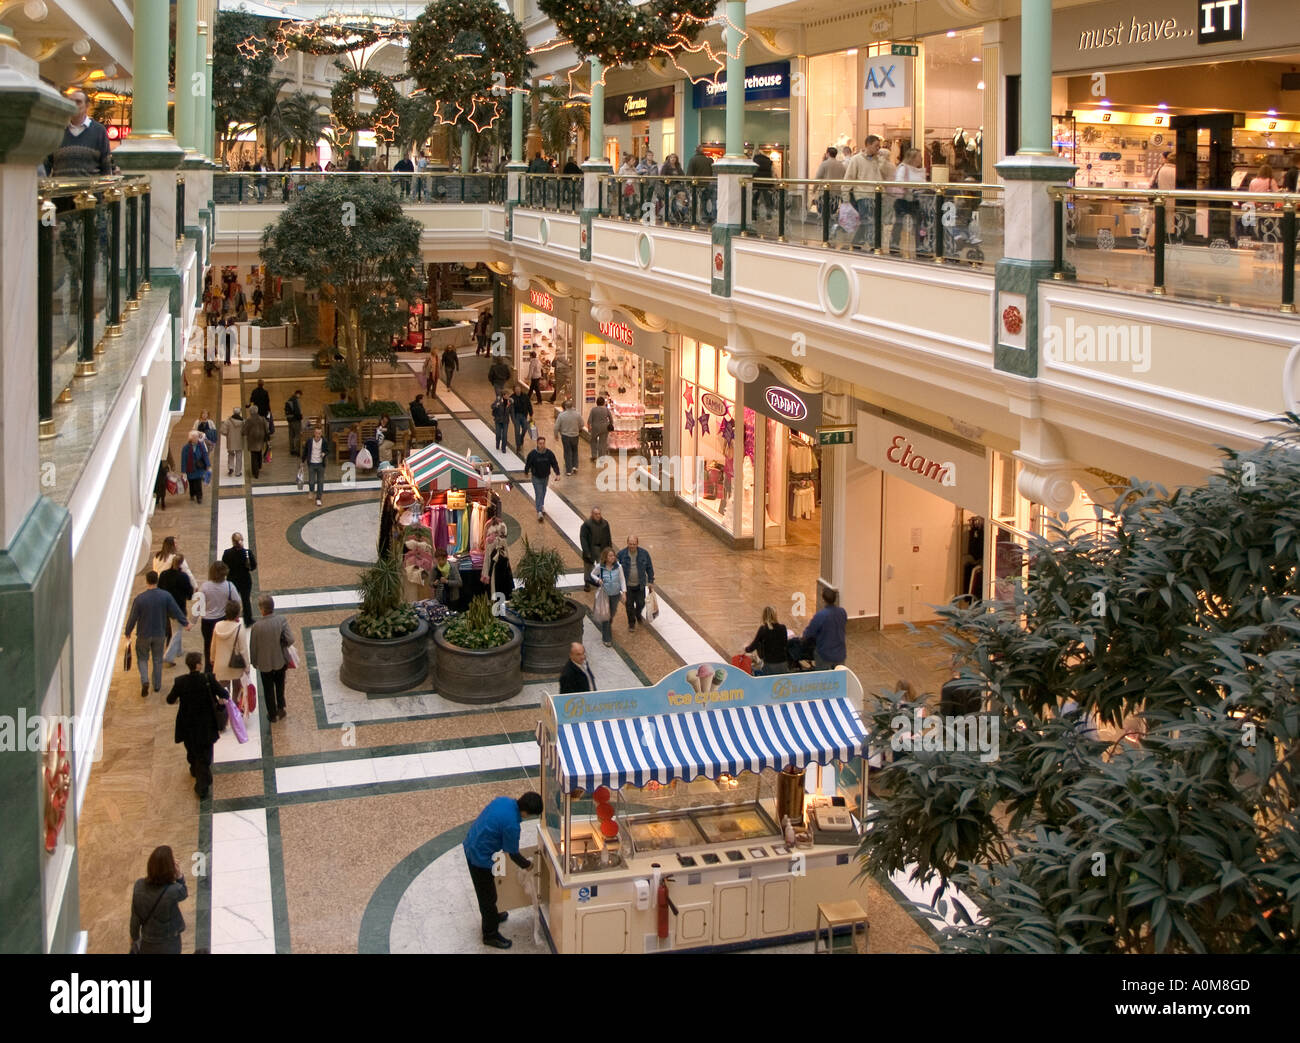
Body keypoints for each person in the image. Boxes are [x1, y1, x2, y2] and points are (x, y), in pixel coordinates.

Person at [463, 791, 542, 949]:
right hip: (479, 856)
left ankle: (494, 917)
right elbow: (513, 854)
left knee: (490, 891)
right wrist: (528, 865)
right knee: (488, 898)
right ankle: (490, 934)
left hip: (473, 841)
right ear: (526, 812)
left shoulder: (504, 801)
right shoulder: (512, 825)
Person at [166, 653, 226, 798]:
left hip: (187, 724)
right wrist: (219, 701)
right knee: (205, 755)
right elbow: (223, 693)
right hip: (206, 724)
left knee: (193, 749)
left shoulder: (180, 682)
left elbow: (170, 699)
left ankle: (194, 768)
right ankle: (202, 786)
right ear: (198, 665)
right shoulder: (208, 679)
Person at [125, 571, 190, 698]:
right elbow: (176, 611)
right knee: (157, 659)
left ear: (147, 581)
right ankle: (157, 685)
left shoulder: (140, 599)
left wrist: (128, 632)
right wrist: (185, 622)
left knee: (142, 659)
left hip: (143, 634)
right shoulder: (165, 596)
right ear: (157, 581)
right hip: (160, 633)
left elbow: (132, 618)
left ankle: (145, 681)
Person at [129, 846, 188, 954]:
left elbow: (135, 917)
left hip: (148, 943)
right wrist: (179, 875)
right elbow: (183, 893)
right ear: (169, 868)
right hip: (170, 943)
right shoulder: (173, 890)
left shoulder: (139, 885)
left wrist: (134, 938)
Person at [45, 90, 112, 178]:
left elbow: (106, 165)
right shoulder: (57, 129)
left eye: (78, 102)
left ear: (87, 106)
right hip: (61, 191)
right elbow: (46, 164)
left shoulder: (99, 131)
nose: (74, 105)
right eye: (71, 102)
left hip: (90, 190)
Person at [249, 594, 294, 723]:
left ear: (262, 609)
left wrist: (254, 661)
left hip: (264, 663)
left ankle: (272, 714)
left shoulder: (257, 626)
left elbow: (253, 647)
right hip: (279, 660)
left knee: (268, 689)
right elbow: (290, 639)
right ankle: (281, 708)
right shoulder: (281, 620)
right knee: (280, 686)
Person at [844, 135, 894, 248]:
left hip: (878, 195)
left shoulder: (879, 160)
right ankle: (870, 244)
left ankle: (863, 243)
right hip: (863, 195)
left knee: (875, 221)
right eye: (876, 146)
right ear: (868, 145)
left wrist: (882, 163)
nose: (878, 148)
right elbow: (849, 177)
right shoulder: (856, 159)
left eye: (879, 146)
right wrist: (845, 197)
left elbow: (887, 175)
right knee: (867, 220)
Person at [198, 562, 240, 673]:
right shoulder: (229, 586)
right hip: (222, 619)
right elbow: (237, 602)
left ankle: (209, 670)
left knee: (208, 646)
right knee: (224, 645)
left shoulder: (204, 587)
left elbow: (198, 604)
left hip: (207, 622)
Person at [888, 148, 928, 256]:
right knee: (899, 224)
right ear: (913, 158)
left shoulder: (919, 171)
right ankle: (894, 246)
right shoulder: (903, 168)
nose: (921, 159)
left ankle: (920, 247)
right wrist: (911, 187)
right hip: (903, 200)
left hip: (916, 200)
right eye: (919, 157)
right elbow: (899, 182)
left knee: (919, 224)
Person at [209, 601, 250, 705]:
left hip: (220, 665)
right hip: (235, 665)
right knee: (236, 690)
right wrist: (247, 667)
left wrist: (212, 659)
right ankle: (235, 711)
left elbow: (213, 645)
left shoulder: (217, 626)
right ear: (237, 614)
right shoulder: (239, 629)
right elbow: (243, 650)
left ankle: (225, 712)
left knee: (223, 693)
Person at [158, 554, 195, 667]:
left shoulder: (164, 575)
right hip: (178, 606)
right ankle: (168, 655)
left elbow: (159, 588)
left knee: (175, 628)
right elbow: (189, 592)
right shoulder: (183, 577)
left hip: (165, 606)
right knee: (177, 631)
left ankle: (178, 651)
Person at [801, 587, 848, 671]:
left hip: (825, 655)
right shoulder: (842, 612)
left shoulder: (820, 615)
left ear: (823, 599)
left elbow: (809, 633)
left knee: (824, 679)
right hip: (840, 653)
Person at [615, 536, 654, 632]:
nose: (632, 546)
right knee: (629, 605)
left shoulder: (644, 554)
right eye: (630, 544)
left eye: (634, 544)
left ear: (637, 544)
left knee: (641, 603)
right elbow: (616, 568)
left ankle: (637, 613)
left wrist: (650, 581)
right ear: (627, 543)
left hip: (640, 584)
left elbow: (649, 567)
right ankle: (631, 623)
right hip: (627, 586)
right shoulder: (621, 554)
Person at [591, 548, 626, 647]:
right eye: (610, 556)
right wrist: (598, 580)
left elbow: (622, 580)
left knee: (612, 612)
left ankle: (607, 624)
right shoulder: (600, 567)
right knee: (606, 616)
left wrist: (624, 592)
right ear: (605, 557)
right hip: (605, 594)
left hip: (615, 594)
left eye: (613, 556)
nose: (612, 558)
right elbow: (592, 574)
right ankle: (606, 638)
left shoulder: (618, 567)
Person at [221, 533, 257, 625]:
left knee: (232, 601)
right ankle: (248, 620)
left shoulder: (227, 553)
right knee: (246, 601)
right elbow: (253, 567)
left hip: (232, 581)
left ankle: (231, 618)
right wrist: (248, 566)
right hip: (245, 580)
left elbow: (224, 567)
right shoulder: (247, 553)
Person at [523, 436, 562, 521]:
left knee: (543, 492)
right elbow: (528, 464)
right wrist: (526, 472)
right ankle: (539, 511)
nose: (542, 445)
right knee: (539, 493)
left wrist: (557, 473)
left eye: (543, 443)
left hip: (545, 477)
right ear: (537, 444)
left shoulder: (549, 453)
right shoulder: (533, 454)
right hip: (536, 477)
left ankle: (541, 505)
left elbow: (554, 463)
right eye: (540, 443)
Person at [744, 606, 789, 675]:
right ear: (775, 615)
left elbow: (752, 647)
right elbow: (785, 644)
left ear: (764, 616)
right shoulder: (783, 628)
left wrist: (746, 648)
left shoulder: (763, 629)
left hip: (769, 665)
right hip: (783, 664)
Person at [479, 506, 512, 598]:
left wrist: (485, 574)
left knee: (494, 584)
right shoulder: (503, 527)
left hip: (493, 563)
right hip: (503, 561)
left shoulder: (488, 533)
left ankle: (495, 603)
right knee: (503, 584)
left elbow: (487, 559)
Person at [579, 506, 611, 592]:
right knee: (588, 567)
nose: (598, 515)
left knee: (602, 566)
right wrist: (586, 551)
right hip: (591, 548)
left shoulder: (605, 524)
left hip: (602, 548)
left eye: (599, 514)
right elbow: (583, 539)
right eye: (596, 514)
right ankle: (587, 583)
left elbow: (608, 537)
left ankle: (601, 582)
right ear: (592, 514)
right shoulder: (586, 525)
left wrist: (609, 550)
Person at [554, 399, 583, 475]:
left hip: (565, 436)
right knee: (575, 451)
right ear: (572, 406)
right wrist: (578, 429)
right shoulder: (577, 414)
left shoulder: (561, 415)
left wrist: (556, 434)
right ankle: (575, 466)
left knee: (567, 453)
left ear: (566, 406)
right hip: (575, 436)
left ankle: (569, 470)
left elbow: (556, 426)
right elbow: (582, 424)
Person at [180, 431, 209, 505]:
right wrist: (183, 471)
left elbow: (205, 455)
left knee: (198, 483)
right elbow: (183, 459)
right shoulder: (185, 448)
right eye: (195, 437)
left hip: (199, 468)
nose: (197, 439)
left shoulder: (201, 445)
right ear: (191, 438)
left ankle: (199, 497)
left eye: (197, 437)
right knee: (192, 483)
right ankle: (192, 494)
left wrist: (208, 465)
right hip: (190, 469)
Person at [301, 425, 327, 506]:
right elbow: (305, 451)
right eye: (316, 433)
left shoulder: (324, 441)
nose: (317, 435)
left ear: (321, 433)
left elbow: (328, 450)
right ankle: (311, 490)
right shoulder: (309, 441)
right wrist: (302, 461)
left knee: (320, 482)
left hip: (320, 464)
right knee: (311, 481)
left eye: (319, 433)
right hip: (311, 464)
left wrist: (324, 453)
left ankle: (318, 498)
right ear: (314, 433)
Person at [242, 404, 268, 480]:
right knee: (259, 452)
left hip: (252, 440)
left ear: (250, 412)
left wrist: (244, 433)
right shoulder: (262, 419)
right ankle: (259, 465)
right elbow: (266, 428)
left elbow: (244, 431)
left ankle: (255, 472)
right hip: (260, 439)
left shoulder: (249, 420)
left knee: (253, 457)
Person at [220, 408, 244, 477]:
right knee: (239, 456)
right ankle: (238, 472)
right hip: (239, 441)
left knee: (230, 454)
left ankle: (231, 467)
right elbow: (245, 431)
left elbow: (223, 431)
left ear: (233, 412)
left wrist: (228, 435)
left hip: (230, 441)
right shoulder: (243, 422)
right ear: (239, 413)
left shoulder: (228, 421)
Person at [587, 396, 612, 463]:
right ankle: (601, 457)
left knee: (593, 442)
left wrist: (589, 428)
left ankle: (594, 456)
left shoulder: (593, 410)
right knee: (602, 443)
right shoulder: (606, 409)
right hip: (604, 428)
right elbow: (611, 418)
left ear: (596, 403)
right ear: (603, 402)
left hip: (595, 428)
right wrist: (610, 424)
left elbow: (589, 420)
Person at [510, 384, 533, 454]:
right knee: (517, 431)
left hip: (523, 415)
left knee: (525, 428)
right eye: (516, 389)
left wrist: (531, 414)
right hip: (516, 416)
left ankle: (521, 437)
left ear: (520, 389)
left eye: (518, 389)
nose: (517, 390)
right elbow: (510, 408)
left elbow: (529, 405)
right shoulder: (512, 397)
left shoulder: (525, 396)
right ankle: (518, 446)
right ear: (514, 390)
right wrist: (512, 417)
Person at [490, 387, 511, 453]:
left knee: (505, 435)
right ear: (503, 395)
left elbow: (512, 411)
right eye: (506, 395)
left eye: (508, 395)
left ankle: (503, 448)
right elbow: (492, 406)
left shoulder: (509, 403)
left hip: (505, 421)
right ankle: (497, 443)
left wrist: (514, 419)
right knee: (498, 434)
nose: (508, 396)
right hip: (498, 420)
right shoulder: (498, 401)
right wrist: (496, 405)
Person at [284, 389, 303, 455]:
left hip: (290, 420)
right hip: (296, 420)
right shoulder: (295, 400)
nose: (300, 397)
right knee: (297, 435)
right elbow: (297, 411)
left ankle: (291, 450)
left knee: (291, 435)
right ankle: (297, 450)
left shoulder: (289, 400)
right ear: (297, 394)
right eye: (300, 395)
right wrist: (300, 417)